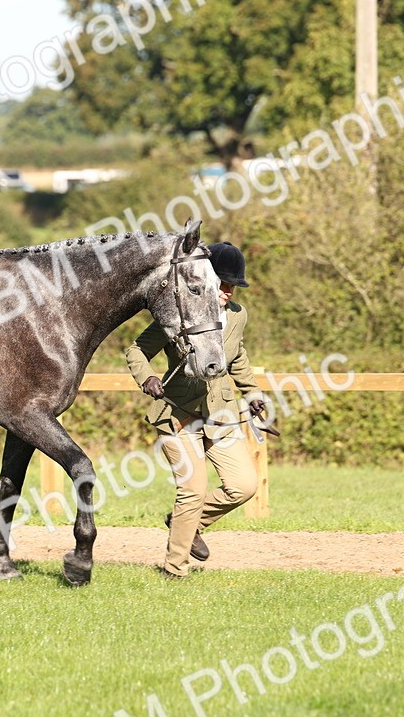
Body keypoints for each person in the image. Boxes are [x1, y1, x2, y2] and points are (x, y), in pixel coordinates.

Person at [125, 241, 267, 579]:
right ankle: (174, 569)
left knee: (244, 485)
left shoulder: (237, 315)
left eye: (234, 286)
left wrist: (252, 393)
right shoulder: (179, 313)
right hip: (178, 414)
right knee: (192, 491)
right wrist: (147, 378)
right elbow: (136, 350)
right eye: (224, 283)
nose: (229, 291)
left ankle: (187, 524)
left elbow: (238, 356)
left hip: (221, 413)